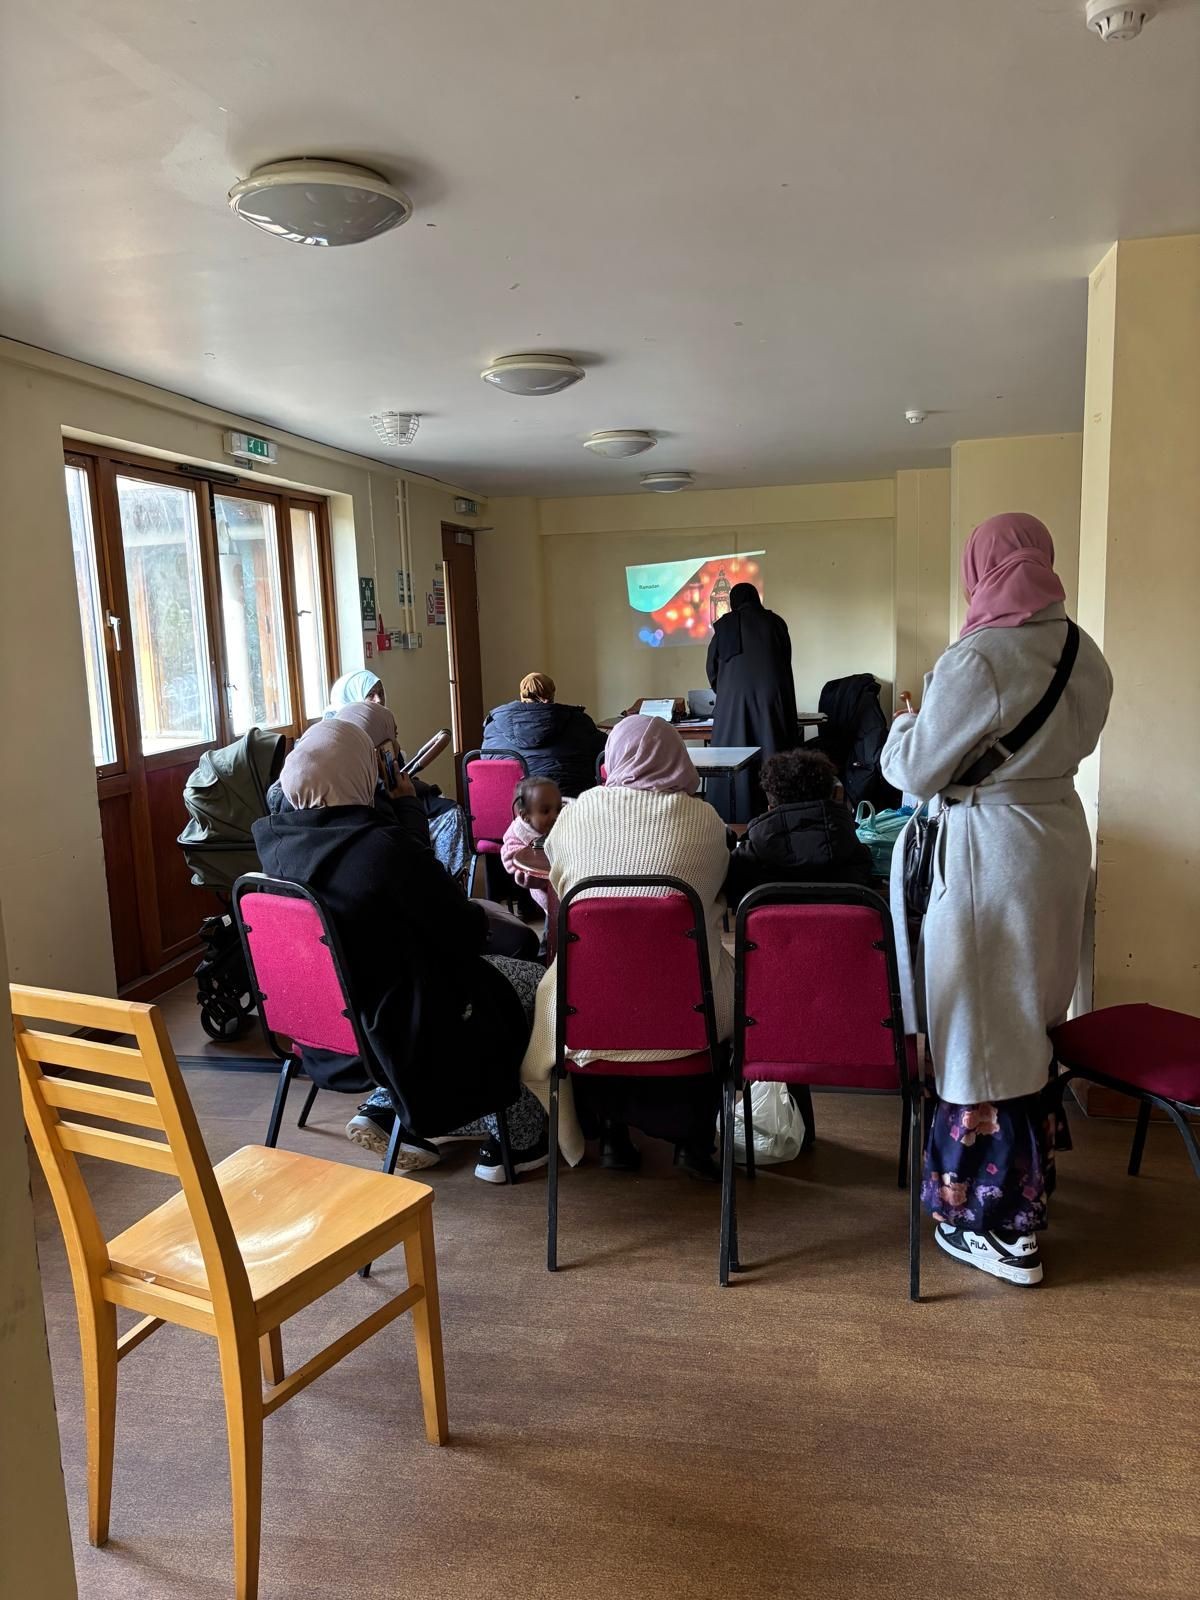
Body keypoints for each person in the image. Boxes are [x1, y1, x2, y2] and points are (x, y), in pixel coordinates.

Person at [882, 512, 1112, 1287]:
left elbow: (914, 772)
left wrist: (905, 724)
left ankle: (995, 1226)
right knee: (1030, 1017)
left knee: (978, 1027)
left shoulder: (978, 657)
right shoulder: (1086, 652)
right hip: (1056, 840)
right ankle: (1027, 1183)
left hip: (990, 852)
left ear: (979, 570)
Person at [252, 718, 548, 1182]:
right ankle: (517, 1129)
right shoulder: (380, 848)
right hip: (407, 1018)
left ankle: (390, 1108)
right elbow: (462, 933)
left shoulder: (274, 844)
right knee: (537, 984)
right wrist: (405, 810)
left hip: (326, 1027)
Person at [520, 714, 733, 1179]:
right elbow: (716, 885)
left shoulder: (574, 814)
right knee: (724, 973)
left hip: (587, 1016)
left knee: (603, 975)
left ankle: (613, 1135)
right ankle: (694, 1142)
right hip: (689, 1016)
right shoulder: (706, 820)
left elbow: (558, 872)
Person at [323, 672, 470, 878]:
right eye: (371, 695)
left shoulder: (380, 725)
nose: (379, 700)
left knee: (449, 810)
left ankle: (447, 879)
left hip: (394, 793)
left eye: (381, 693)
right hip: (376, 807)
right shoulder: (343, 741)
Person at [723, 748, 874, 908]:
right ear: (831, 796)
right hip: (840, 932)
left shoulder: (749, 857)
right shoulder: (854, 851)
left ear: (770, 807)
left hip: (773, 932)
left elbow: (732, 897)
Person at [705, 583, 799, 823]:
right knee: (772, 750)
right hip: (772, 705)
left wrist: (727, 692)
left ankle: (734, 820)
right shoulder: (775, 623)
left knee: (732, 757)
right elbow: (784, 661)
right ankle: (777, 817)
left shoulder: (724, 626)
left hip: (733, 707)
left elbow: (712, 671)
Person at [481, 672, 606, 797]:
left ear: (522, 694)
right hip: (571, 803)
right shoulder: (578, 721)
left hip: (515, 803)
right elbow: (605, 752)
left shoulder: (494, 726)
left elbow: (487, 760)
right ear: (552, 694)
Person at [500, 776, 564, 917]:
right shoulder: (517, 834)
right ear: (525, 816)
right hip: (547, 893)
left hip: (569, 887)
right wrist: (533, 872)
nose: (555, 816)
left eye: (558, 809)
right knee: (554, 930)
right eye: (546, 811)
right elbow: (514, 864)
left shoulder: (562, 824)